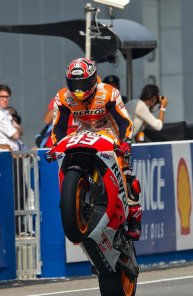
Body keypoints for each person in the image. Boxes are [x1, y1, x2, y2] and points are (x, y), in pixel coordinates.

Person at [51, 57, 142, 241]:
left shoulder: (109, 93)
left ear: (93, 80)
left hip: (111, 135)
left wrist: (125, 141)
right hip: (83, 134)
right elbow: (58, 128)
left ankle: (134, 219)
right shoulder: (62, 97)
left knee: (127, 174)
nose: (78, 89)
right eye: (74, 83)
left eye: (83, 83)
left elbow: (125, 122)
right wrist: (56, 147)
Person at [0, 84, 24, 150]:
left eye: (7, 97)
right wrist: (16, 128)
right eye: (2, 97)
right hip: (6, 153)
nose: (5, 100)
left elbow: (21, 132)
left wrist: (16, 130)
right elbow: (16, 136)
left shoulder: (5, 112)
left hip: (13, 152)